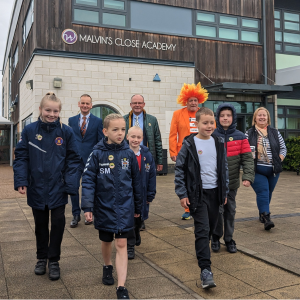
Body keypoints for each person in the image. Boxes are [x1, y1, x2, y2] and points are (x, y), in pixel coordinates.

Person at [13, 92, 82, 281]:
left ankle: (54, 260)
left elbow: (74, 160)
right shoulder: (29, 131)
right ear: (40, 109)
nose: (51, 114)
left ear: (60, 111)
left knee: (58, 224)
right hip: (37, 188)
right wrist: (21, 181)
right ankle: (41, 258)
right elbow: (21, 157)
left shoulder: (66, 132)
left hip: (58, 188)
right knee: (40, 225)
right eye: (48, 110)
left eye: (55, 110)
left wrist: (70, 183)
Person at [81, 114, 142, 299]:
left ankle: (121, 286)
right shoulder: (97, 153)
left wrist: (139, 207)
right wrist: (88, 207)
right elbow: (89, 181)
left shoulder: (129, 154)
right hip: (103, 207)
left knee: (122, 243)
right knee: (107, 241)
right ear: (105, 131)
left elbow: (137, 183)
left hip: (124, 207)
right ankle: (107, 266)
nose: (120, 133)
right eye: (115, 130)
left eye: (123, 129)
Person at [175, 107, 229, 289]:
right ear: (196, 124)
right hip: (197, 195)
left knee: (211, 229)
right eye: (205, 123)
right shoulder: (189, 144)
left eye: (211, 122)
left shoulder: (219, 142)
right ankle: (205, 270)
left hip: (216, 194)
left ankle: (202, 250)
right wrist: (182, 194)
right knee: (202, 229)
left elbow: (224, 170)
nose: (209, 126)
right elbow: (180, 170)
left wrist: (225, 192)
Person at [211, 103, 255, 253]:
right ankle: (215, 237)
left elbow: (248, 159)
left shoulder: (241, 136)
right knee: (217, 211)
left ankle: (229, 239)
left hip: (232, 182)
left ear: (233, 117)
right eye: (222, 115)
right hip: (214, 183)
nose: (225, 118)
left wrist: (248, 176)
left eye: (228, 115)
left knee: (230, 211)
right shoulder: (211, 135)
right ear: (217, 117)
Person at [169, 83, 209, 220]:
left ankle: (202, 204)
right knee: (186, 179)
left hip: (202, 151)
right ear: (185, 101)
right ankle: (188, 208)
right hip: (184, 152)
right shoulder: (177, 114)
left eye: (195, 100)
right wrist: (173, 151)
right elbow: (173, 134)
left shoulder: (204, 113)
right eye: (190, 100)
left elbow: (211, 130)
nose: (193, 102)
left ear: (199, 101)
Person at [124, 94, 162, 230]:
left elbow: (157, 139)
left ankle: (141, 218)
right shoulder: (124, 119)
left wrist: (159, 160)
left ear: (144, 104)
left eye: (140, 102)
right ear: (130, 105)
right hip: (128, 157)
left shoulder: (152, 119)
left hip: (145, 158)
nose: (137, 105)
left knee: (144, 187)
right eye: (134, 103)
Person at [245, 107, 286, 230]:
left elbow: (283, 148)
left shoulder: (274, 132)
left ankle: (262, 212)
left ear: (268, 117)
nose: (262, 117)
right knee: (262, 191)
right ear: (255, 118)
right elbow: (245, 151)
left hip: (273, 170)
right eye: (259, 115)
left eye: (264, 115)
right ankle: (266, 218)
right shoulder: (249, 133)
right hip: (257, 169)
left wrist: (279, 160)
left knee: (268, 192)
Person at [68, 94, 104, 228]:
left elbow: (100, 141)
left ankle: (89, 213)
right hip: (75, 160)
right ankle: (75, 214)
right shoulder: (71, 121)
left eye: (87, 103)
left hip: (91, 160)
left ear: (91, 105)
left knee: (90, 187)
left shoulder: (98, 121)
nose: (85, 105)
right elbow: (69, 140)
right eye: (82, 103)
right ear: (79, 104)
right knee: (73, 187)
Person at [126, 126, 156, 260]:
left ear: (142, 138)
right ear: (127, 137)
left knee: (138, 218)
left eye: (138, 137)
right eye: (133, 137)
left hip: (142, 193)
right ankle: (130, 246)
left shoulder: (147, 155)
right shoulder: (123, 153)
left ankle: (137, 232)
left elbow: (152, 176)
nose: (135, 140)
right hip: (127, 194)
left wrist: (150, 193)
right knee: (129, 219)